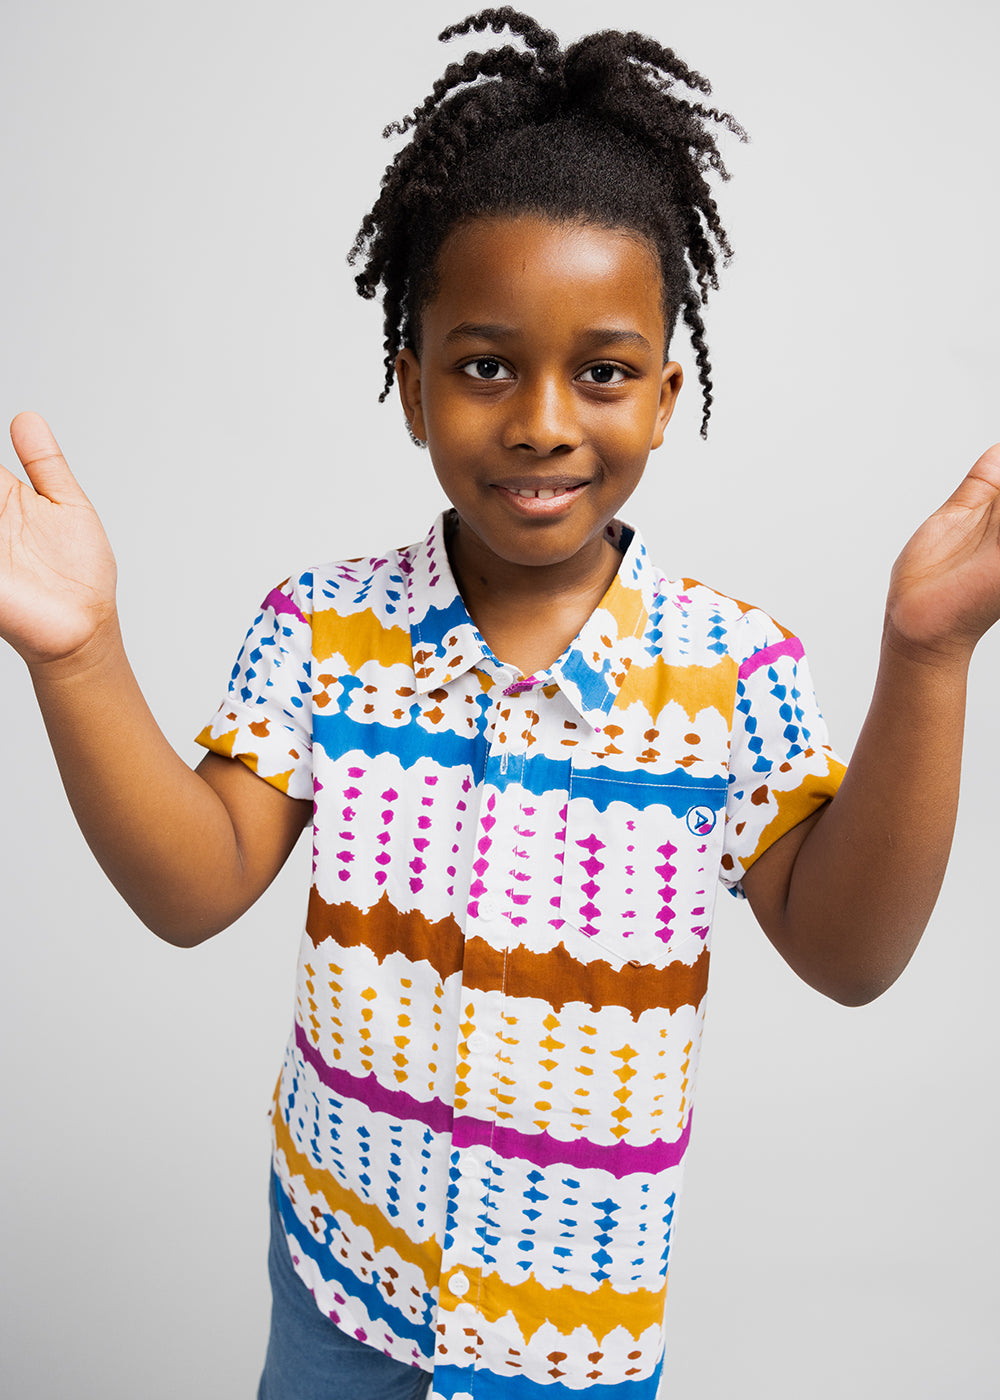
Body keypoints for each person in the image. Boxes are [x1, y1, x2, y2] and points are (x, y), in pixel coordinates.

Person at [1, 8, 997, 1398]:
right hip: (339, 1283)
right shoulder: (321, 630)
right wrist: (79, 651)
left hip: (567, 1339)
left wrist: (928, 655)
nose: (541, 418)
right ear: (410, 387)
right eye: (483, 366)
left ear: (664, 397)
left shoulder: (734, 668)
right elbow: (194, 887)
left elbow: (850, 955)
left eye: (600, 371)